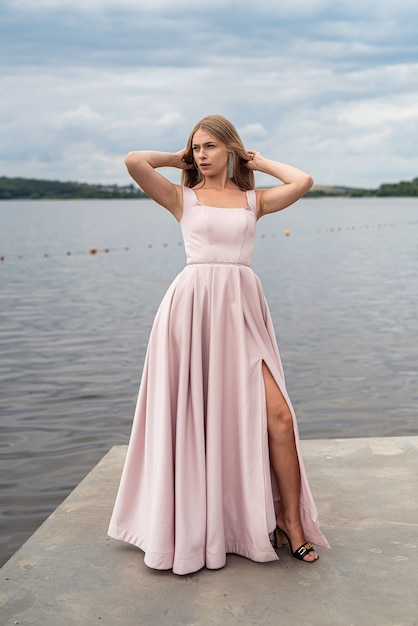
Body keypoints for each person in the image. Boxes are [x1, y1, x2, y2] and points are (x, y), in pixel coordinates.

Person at [108, 114, 330, 575]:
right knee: (197, 418)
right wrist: (176, 158)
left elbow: (303, 180)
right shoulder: (181, 197)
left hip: (244, 317)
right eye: (197, 148)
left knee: (279, 417)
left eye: (210, 146)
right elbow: (134, 160)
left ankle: (290, 520)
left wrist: (260, 161)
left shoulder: (254, 201)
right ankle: (210, 523)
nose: (202, 155)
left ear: (231, 149)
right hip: (191, 317)